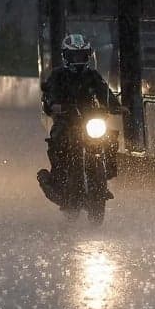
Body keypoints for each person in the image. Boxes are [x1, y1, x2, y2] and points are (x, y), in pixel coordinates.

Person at [37, 33, 121, 206]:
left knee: (110, 137)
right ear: (66, 56)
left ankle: (106, 172)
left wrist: (116, 106)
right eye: (74, 55)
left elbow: (104, 92)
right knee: (58, 139)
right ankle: (57, 179)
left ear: (87, 55)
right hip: (66, 120)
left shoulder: (92, 75)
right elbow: (49, 95)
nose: (78, 59)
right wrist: (54, 105)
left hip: (89, 119)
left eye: (81, 55)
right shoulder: (58, 76)